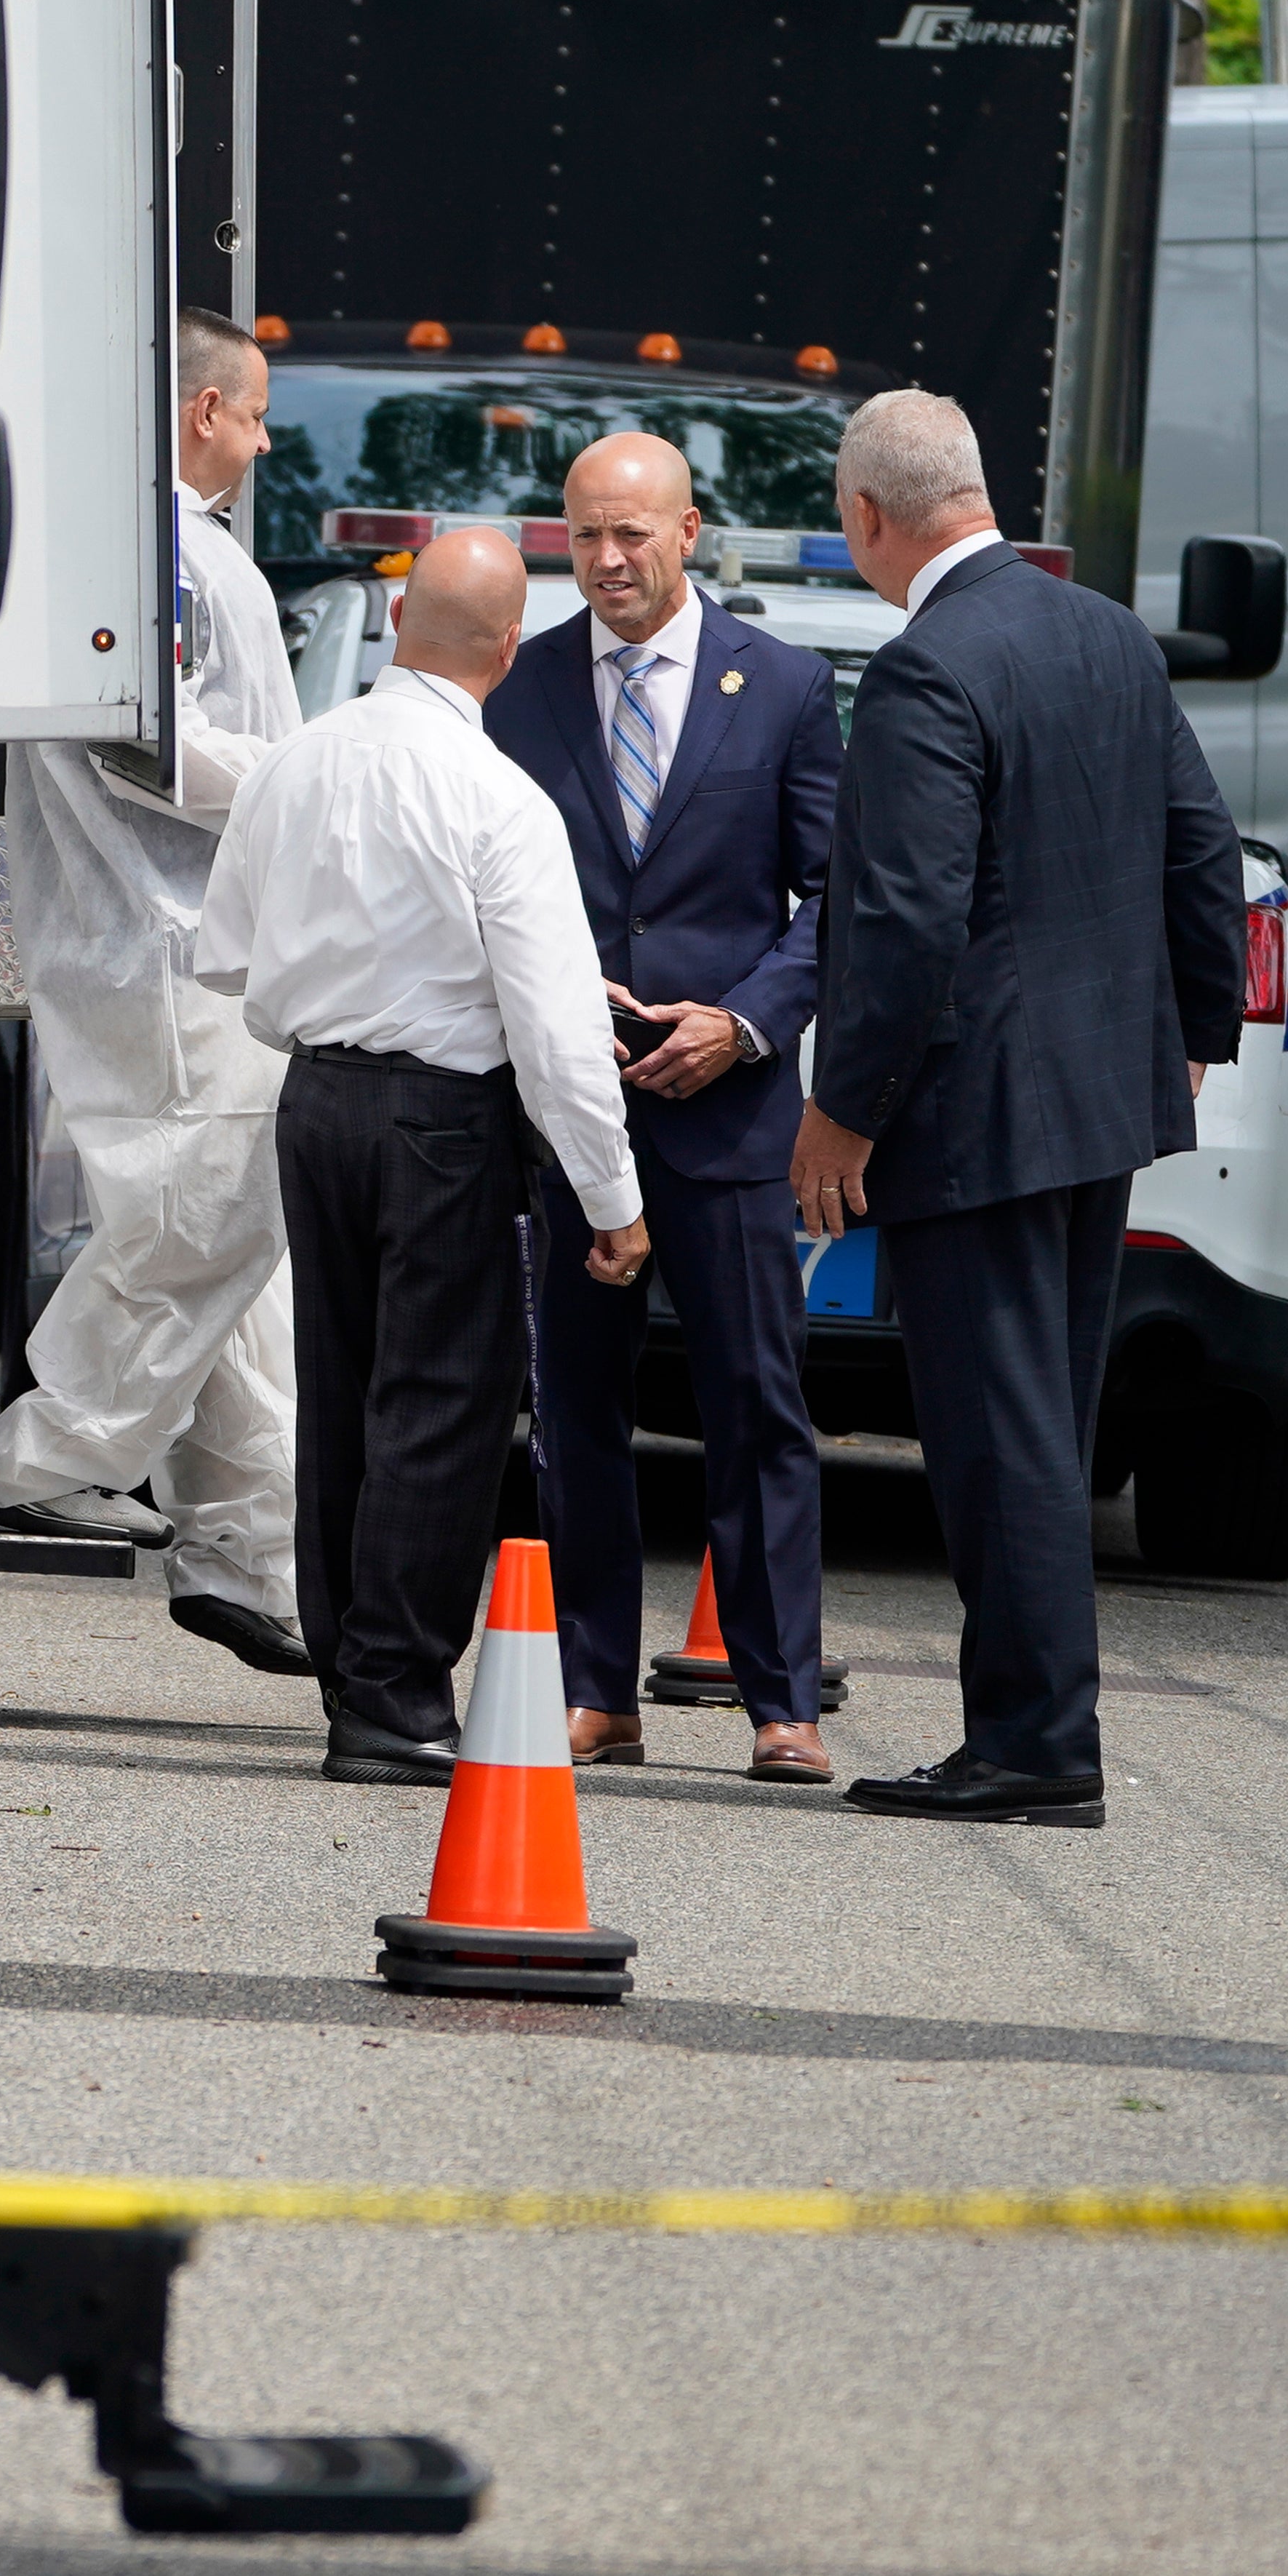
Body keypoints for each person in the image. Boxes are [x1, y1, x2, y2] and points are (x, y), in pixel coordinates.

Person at [796, 391, 1244, 1827]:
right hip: (1098, 1098)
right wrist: (1194, 1026)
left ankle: (1035, 1739)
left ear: (870, 516)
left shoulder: (931, 667)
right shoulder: (1108, 633)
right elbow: (1200, 841)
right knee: (1043, 1414)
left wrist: (846, 1112)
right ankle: (1040, 1726)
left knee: (1001, 1436)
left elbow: (909, 915)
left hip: (978, 1109)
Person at [195, 529, 649, 1785]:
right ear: (508, 650)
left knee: (340, 1390)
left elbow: (224, 949)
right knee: (439, 1408)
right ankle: (396, 1699)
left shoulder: (298, 761)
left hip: (316, 1100)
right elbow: (559, 1035)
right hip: (444, 1119)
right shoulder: (501, 797)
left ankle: (356, 1676)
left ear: (398, 626)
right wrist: (613, 1201)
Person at [484, 433, 844, 1782]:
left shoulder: (788, 689)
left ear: (691, 532)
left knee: (757, 1402)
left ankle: (781, 1702)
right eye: (584, 538)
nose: (610, 561)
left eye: (633, 535)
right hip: (574, 1114)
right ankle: (595, 1687)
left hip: (731, 1106)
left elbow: (835, 899)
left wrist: (744, 1023)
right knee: (575, 1403)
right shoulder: (520, 692)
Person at [0, 309, 307, 1675]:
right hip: (174, 943)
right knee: (207, 1221)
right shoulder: (160, 548)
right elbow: (147, 746)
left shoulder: (140, 544)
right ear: (204, 411)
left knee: (232, 1261)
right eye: (257, 411)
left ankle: (248, 1552)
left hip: (159, 938)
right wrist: (303, 785)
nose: (266, 439)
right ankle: (44, 1454)